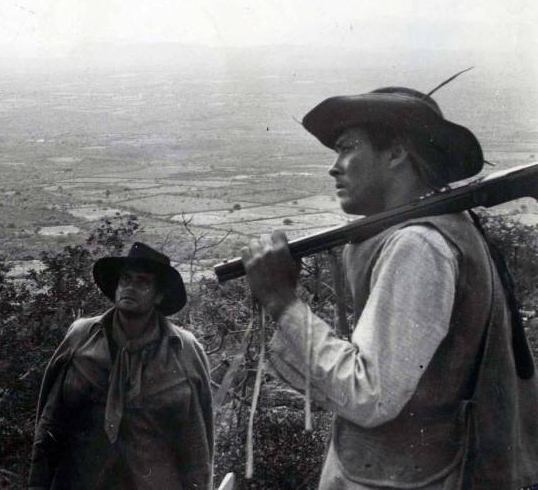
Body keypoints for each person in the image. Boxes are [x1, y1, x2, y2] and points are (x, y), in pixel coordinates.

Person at [241, 87, 538, 489]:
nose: (335, 166)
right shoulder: (442, 230)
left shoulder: (417, 245)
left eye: (347, 148)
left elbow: (369, 393)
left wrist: (283, 302)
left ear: (396, 154)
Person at [29, 242, 214, 490]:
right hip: (82, 481)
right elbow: (50, 424)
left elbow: (196, 445)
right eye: (126, 279)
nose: (130, 287)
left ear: (159, 296)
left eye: (143, 282)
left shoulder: (184, 350)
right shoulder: (81, 337)